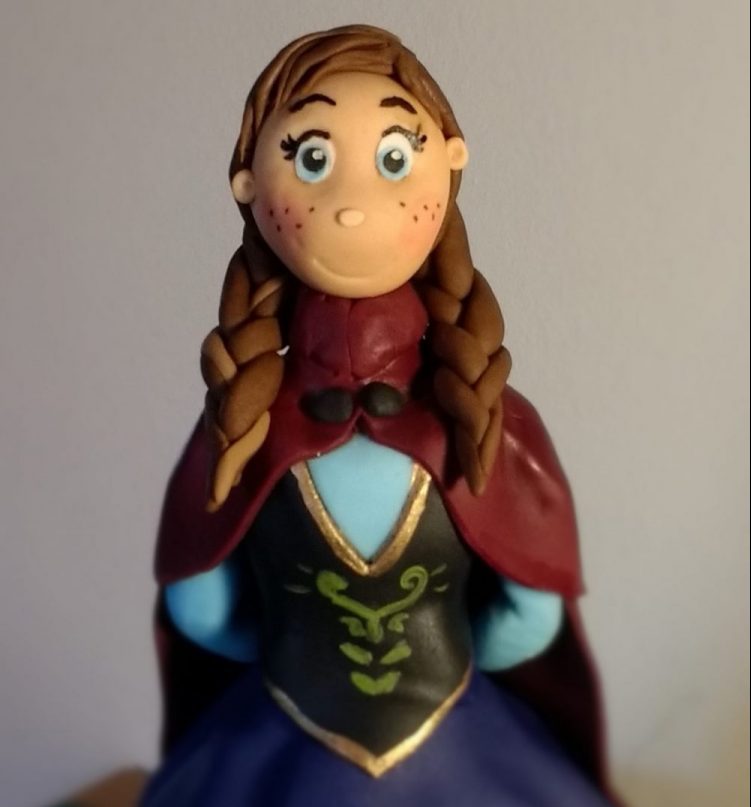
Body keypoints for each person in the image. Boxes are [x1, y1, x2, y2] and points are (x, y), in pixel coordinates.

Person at [143, 25, 617, 807]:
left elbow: (200, 610)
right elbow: (529, 622)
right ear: (249, 185)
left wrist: (282, 646)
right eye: (312, 159)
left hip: (277, 748)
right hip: (462, 747)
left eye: (394, 159)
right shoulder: (489, 418)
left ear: (451, 160)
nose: (353, 207)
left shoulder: (239, 424)